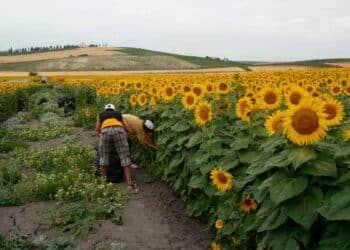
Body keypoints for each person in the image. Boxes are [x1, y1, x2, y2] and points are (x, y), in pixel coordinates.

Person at [95, 103, 137, 191]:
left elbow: (98, 130)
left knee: (103, 157)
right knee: (124, 158)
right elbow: (128, 129)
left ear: (105, 110)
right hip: (119, 129)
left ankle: (104, 182)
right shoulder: (118, 115)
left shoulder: (101, 115)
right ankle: (130, 184)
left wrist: (104, 139)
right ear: (114, 110)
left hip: (105, 130)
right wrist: (126, 137)